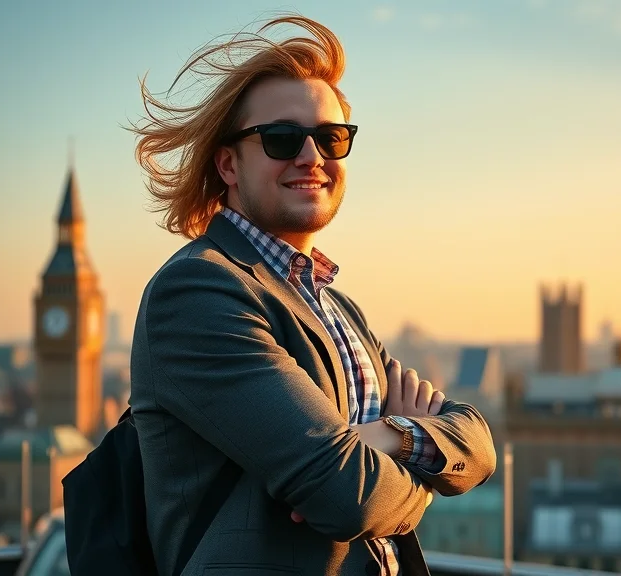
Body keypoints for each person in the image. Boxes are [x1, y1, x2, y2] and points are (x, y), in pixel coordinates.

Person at [127, 15, 496, 576]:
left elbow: (479, 446)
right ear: (228, 163)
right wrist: (417, 468)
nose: (311, 156)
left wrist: (389, 436)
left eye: (331, 138)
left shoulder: (337, 306)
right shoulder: (200, 290)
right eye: (281, 138)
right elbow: (348, 494)